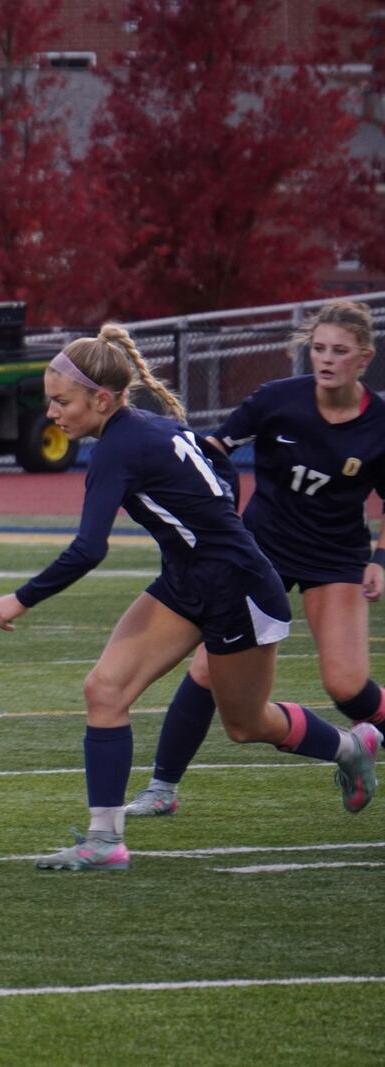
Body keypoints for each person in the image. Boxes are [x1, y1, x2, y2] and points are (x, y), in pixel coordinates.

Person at [0, 323, 380, 872]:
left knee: (247, 725)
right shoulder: (145, 427)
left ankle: (348, 747)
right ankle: (105, 841)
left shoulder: (116, 449)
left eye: (61, 401)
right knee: (104, 689)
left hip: (237, 590)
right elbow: (218, 468)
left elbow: (88, 550)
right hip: (189, 581)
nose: (52, 413)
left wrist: (21, 598)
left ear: (101, 399)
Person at [128, 299, 385, 817]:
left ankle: (361, 748)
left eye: (339, 351)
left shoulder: (380, 422)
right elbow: (213, 448)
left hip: (335, 557)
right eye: (318, 348)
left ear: (364, 358)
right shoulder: (277, 400)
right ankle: (162, 789)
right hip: (258, 551)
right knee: (206, 668)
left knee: (345, 683)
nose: (326, 359)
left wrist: (379, 557)